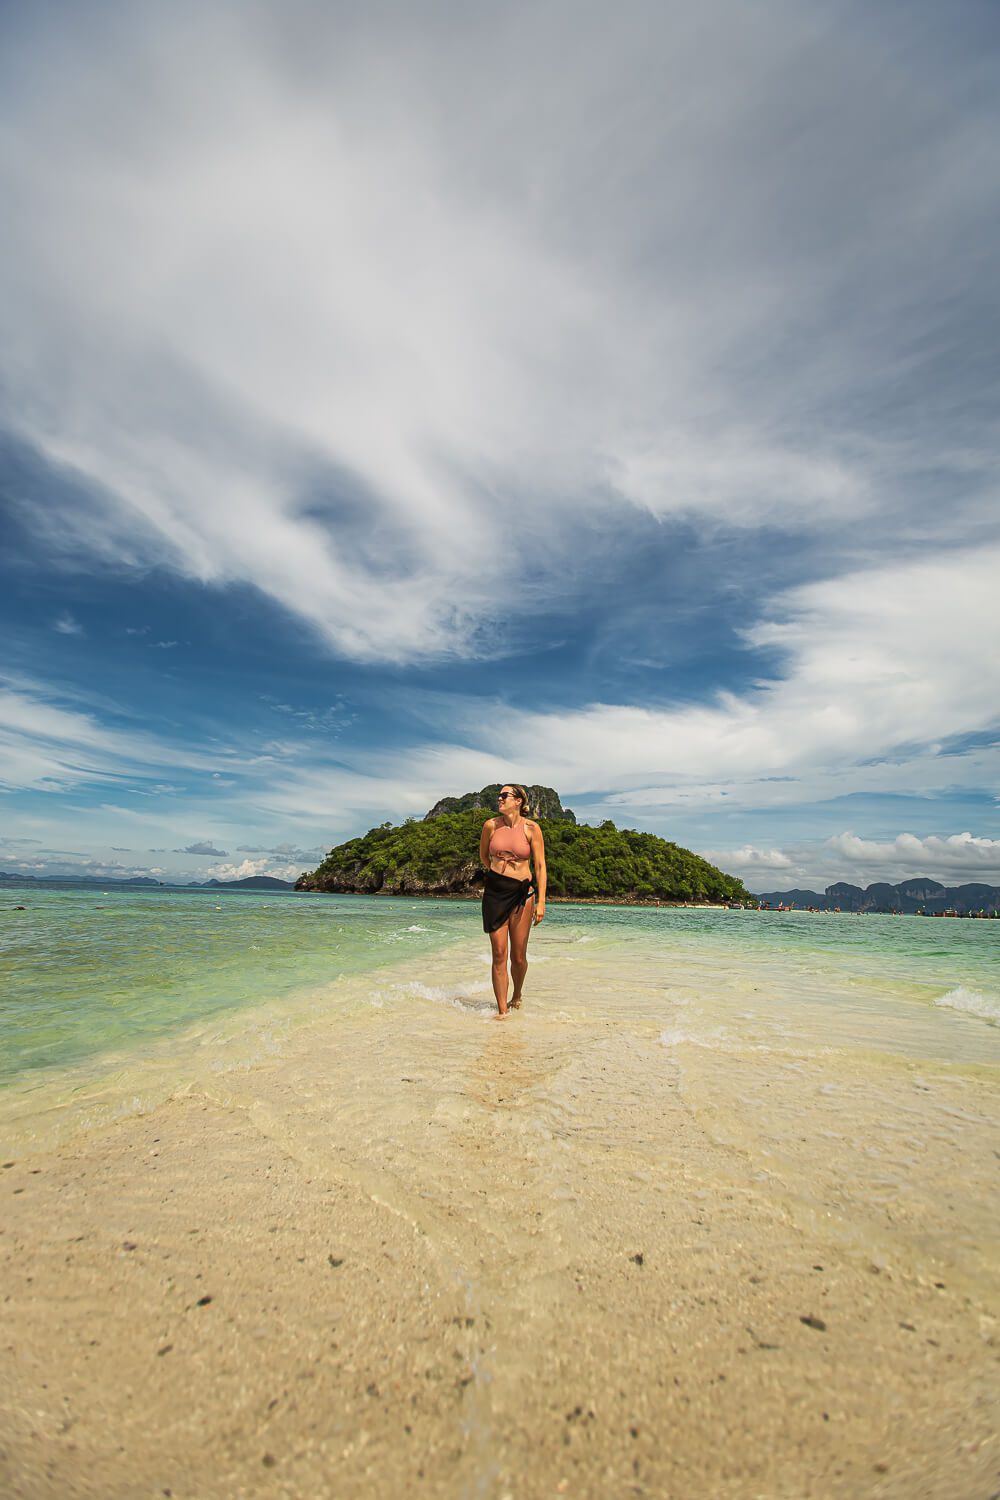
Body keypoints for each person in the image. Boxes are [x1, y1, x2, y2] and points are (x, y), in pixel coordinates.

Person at [479, 783, 546, 1015]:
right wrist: (500, 874)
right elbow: (483, 856)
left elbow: (539, 865)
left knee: (518, 957)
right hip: (495, 892)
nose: (500, 799)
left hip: (522, 894)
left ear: (518, 801)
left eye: (504, 795)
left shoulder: (532, 828)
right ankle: (502, 1012)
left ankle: (517, 994)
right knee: (499, 953)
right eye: (499, 796)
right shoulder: (490, 826)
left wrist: (542, 901)